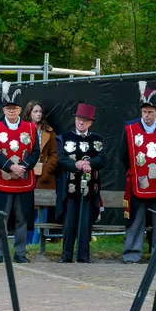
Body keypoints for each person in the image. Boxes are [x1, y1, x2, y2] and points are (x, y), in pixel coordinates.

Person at [120, 83, 156, 264]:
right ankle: (131, 254)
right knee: (136, 220)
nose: (147, 115)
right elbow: (123, 154)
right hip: (138, 181)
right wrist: (136, 172)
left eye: (150, 112)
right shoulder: (130, 129)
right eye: (144, 112)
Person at [0, 83, 39, 263]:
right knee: (1, 218)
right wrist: (10, 166)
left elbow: (35, 152)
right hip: (3, 179)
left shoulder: (31, 128)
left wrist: (22, 166)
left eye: (15, 108)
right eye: (8, 108)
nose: (11, 111)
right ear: (4, 110)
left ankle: (20, 253)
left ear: (20, 110)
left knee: (22, 218)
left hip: (24, 179)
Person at [56, 104, 106, 263]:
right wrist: (76, 164)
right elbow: (61, 158)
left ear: (90, 122)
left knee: (85, 223)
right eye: (79, 119)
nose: (81, 123)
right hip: (70, 188)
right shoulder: (64, 137)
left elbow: (102, 159)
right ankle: (66, 255)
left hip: (89, 188)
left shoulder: (97, 139)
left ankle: (83, 256)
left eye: (85, 120)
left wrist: (89, 163)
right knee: (69, 222)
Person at [24, 100, 58, 244]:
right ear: (29, 113)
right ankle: (24, 241)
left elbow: (55, 154)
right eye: (35, 111)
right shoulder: (22, 130)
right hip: (26, 174)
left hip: (44, 176)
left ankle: (35, 243)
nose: (38, 114)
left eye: (40, 112)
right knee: (26, 209)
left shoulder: (49, 132)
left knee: (42, 209)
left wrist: (46, 170)